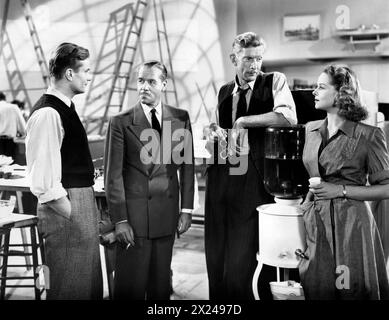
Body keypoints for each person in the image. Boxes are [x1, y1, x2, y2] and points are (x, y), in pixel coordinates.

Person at [204, 32, 297, 300]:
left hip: (255, 180)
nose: (254, 65)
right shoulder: (224, 91)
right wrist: (214, 132)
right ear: (234, 58)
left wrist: (244, 121)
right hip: (222, 177)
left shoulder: (274, 81)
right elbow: (215, 125)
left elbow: (287, 117)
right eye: (247, 59)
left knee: (244, 259)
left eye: (258, 58)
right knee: (217, 252)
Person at [104, 60, 194, 300]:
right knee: (130, 287)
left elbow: (186, 167)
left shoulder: (181, 118)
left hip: (166, 215)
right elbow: (112, 177)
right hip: (134, 220)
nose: (144, 86)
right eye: (140, 81)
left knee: (160, 288)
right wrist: (120, 220)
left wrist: (186, 209)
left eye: (151, 81)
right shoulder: (120, 122)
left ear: (163, 84)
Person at [300, 64, 389, 300]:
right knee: (317, 287)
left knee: (350, 290)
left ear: (341, 93)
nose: (314, 92)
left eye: (321, 87)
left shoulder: (369, 135)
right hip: (316, 222)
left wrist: (339, 190)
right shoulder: (310, 130)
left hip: (351, 225)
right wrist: (306, 204)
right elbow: (311, 174)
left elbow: (387, 188)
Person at [25, 42, 103, 300]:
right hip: (67, 211)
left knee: (84, 288)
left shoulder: (65, 107)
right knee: (69, 290)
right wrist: (75, 215)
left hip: (77, 207)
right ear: (70, 74)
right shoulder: (48, 112)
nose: (89, 77)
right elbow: (44, 181)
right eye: (86, 71)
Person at [0, 92, 26, 158]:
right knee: (9, 165)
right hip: (9, 142)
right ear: (4, 98)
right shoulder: (13, 107)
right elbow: (23, 129)